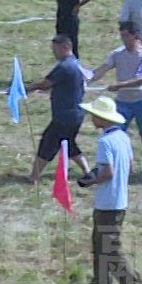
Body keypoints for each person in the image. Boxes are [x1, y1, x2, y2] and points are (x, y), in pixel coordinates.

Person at [77, 94, 142, 284]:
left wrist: (91, 181)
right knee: (99, 245)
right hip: (119, 201)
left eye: (94, 115)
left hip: (108, 203)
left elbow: (108, 172)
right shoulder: (123, 137)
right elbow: (130, 166)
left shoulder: (105, 142)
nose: (91, 118)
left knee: (110, 249)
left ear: (103, 118)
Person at [88, 21, 142, 176]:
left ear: (136, 35)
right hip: (123, 102)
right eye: (122, 35)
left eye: (127, 35)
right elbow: (102, 69)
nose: (124, 39)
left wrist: (119, 85)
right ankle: (120, 166)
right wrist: (87, 80)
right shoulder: (117, 54)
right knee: (117, 135)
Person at [26, 33, 91, 183]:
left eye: (55, 49)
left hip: (65, 116)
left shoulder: (65, 67)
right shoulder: (76, 64)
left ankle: (34, 176)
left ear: (65, 48)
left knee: (48, 144)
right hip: (76, 114)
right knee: (68, 143)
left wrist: (24, 89)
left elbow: (45, 84)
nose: (53, 52)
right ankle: (87, 171)